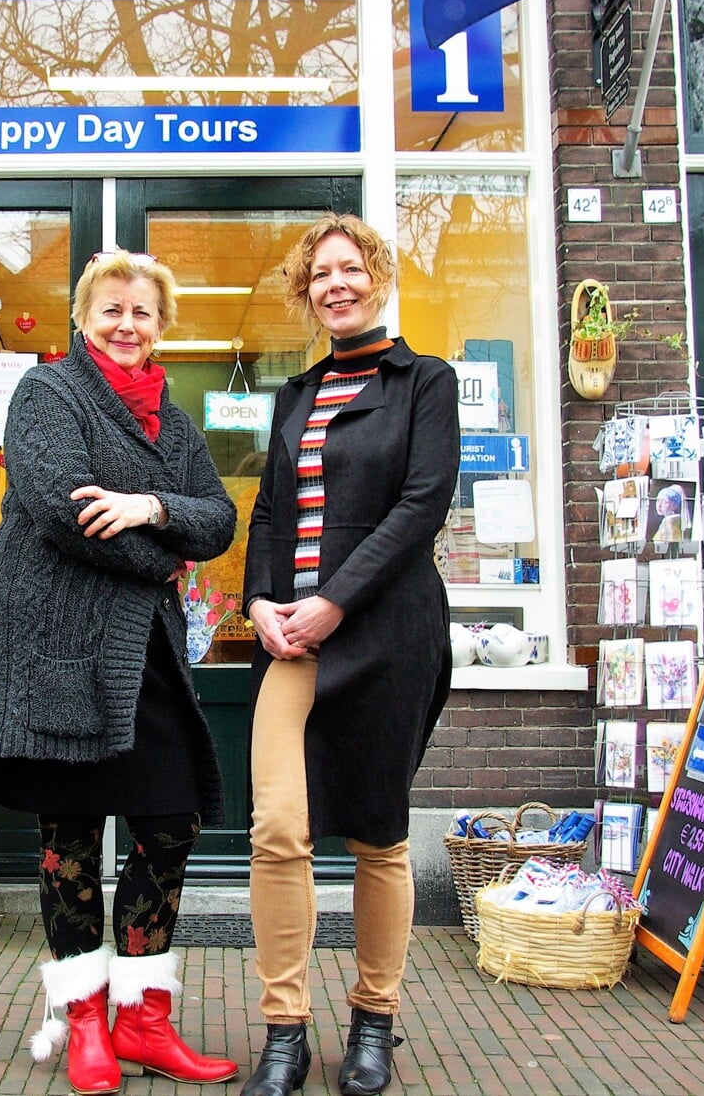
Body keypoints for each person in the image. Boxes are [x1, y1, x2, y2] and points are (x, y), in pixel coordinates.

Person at [0, 249, 240, 1096]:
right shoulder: (49, 394)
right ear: (85, 317)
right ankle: (85, 1018)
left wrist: (154, 507)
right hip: (57, 637)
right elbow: (61, 505)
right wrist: (161, 560)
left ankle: (144, 1018)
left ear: (162, 326)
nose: (128, 325)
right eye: (112, 310)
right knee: (72, 835)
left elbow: (220, 518)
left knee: (172, 820)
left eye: (144, 313)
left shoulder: (173, 419)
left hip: (143, 648)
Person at [239, 214, 459, 1096]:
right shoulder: (294, 396)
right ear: (306, 292)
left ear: (376, 276)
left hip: (387, 637)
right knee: (278, 828)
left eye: (349, 268)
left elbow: (421, 506)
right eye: (318, 275)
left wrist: (332, 602)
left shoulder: (425, 383)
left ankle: (375, 1019)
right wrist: (260, 601)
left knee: (378, 837)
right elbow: (267, 514)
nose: (335, 284)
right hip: (291, 644)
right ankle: (285, 1030)